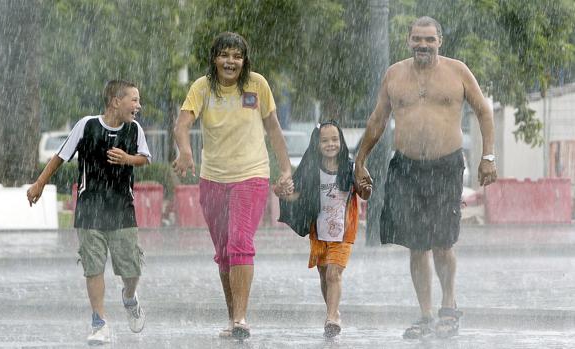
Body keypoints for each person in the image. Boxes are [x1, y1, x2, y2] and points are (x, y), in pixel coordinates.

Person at [354, 16, 497, 339]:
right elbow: (378, 120)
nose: (423, 44)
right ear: (408, 41)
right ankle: (425, 315)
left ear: (439, 42)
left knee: (443, 243)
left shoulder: (457, 71)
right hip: (406, 167)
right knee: (417, 246)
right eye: (418, 39)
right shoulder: (394, 75)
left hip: (445, 167)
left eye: (429, 39)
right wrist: (359, 160)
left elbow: (484, 111)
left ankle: (449, 308)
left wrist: (488, 156)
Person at [172, 32, 294, 340]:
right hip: (212, 178)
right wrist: (185, 150)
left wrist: (285, 168)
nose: (231, 61)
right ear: (214, 58)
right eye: (224, 55)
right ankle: (233, 318)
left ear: (244, 60)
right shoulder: (202, 87)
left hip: (251, 175)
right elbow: (182, 124)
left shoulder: (257, 85)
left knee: (240, 243)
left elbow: (273, 127)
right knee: (224, 251)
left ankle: (241, 318)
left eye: (237, 56)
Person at [27, 80, 151, 345]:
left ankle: (129, 296)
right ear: (116, 101)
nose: (138, 106)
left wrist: (128, 159)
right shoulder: (87, 125)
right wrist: (39, 183)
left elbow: (145, 157)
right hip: (89, 209)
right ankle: (100, 322)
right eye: (134, 100)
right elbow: (60, 156)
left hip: (122, 210)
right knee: (93, 267)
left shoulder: (134, 129)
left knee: (131, 269)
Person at [275, 121, 371, 338]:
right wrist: (280, 191)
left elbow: (364, 194)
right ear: (316, 144)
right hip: (318, 231)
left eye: (335, 139)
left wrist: (366, 189)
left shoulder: (350, 167)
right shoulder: (310, 170)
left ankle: (332, 317)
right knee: (323, 274)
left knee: (333, 272)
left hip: (344, 231)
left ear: (342, 141)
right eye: (325, 140)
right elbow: (294, 196)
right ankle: (332, 311)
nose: (331, 144)